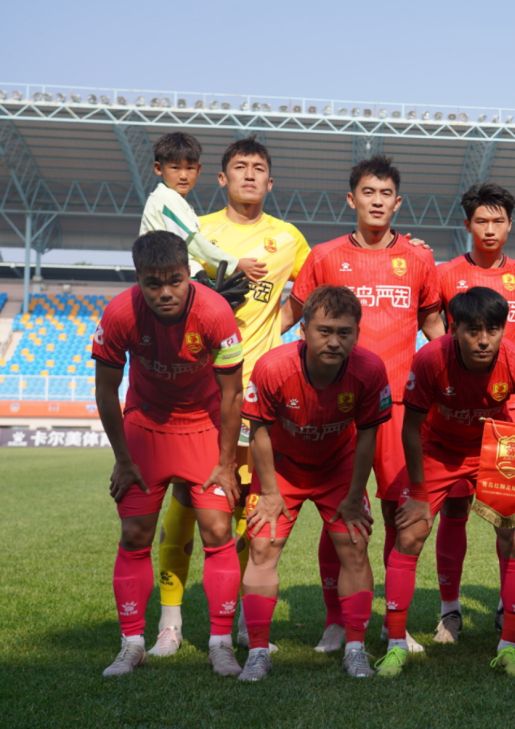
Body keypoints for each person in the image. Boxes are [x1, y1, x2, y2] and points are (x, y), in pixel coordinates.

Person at [154, 134, 311, 655]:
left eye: (258, 168)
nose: (249, 174)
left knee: (247, 504)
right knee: (186, 498)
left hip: (257, 394)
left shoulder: (288, 238)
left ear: (270, 181)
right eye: (239, 166)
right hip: (200, 389)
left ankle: (243, 616)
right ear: (222, 178)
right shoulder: (196, 230)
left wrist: (275, 328)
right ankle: (170, 622)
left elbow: (317, 284)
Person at [287, 154, 444, 653]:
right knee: (340, 514)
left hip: (398, 406)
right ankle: (337, 622)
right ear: (351, 199)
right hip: (339, 407)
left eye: (386, 194)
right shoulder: (325, 256)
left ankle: (393, 623)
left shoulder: (419, 259)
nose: (377, 201)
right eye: (368, 193)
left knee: (400, 513)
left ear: (398, 203)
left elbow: (433, 325)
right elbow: (291, 318)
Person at [377, 287, 515, 678]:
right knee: (410, 533)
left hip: (495, 446)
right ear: (454, 328)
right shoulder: (431, 358)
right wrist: (419, 493)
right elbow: (410, 428)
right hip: (438, 448)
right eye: (473, 330)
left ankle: (509, 647)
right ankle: (394, 645)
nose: (484, 340)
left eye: (492, 330)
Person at [93, 231, 245, 677]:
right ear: (138, 279)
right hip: (146, 426)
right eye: (153, 283)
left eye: (175, 281)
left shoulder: (215, 312)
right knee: (135, 534)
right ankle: (132, 644)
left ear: (188, 273)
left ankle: (220, 643)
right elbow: (105, 391)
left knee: (218, 530)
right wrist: (123, 459)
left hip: (203, 425)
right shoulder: (120, 313)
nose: (165, 292)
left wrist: (225, 463)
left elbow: (232, 394)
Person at [236, 286, 391, 681]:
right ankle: (257, 652)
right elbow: (258, 432)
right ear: (303, 330)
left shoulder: (370, 370)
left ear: (357, 333)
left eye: (344, 332)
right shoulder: (272, 367)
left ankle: (355, 648)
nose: (334, 341)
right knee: (262, 545)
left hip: (337, 468)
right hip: (282, 470)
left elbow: (368, 437)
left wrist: (354, 497)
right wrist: (270, 493)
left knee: (355, 545)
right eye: (324, 331)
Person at [431, 182, 515, 642]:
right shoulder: (445, 274)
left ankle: (507, 612)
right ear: (467, 224)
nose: (489, 229)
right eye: (481, 221)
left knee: (511, 523)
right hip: (456, 411)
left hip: (509, 417)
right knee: (454, 510)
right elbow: (435, 328)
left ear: (510, 225)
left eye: (498, 221)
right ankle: (449, 611)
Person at [139, 132, 266, 281]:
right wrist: (234, 264)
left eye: (189, 168)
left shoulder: (170, 199)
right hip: (167, 277)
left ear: (198, 169)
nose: (183, 175)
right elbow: (193, 241)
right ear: (158, 168)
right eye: (175, 167)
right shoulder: (166, 198)